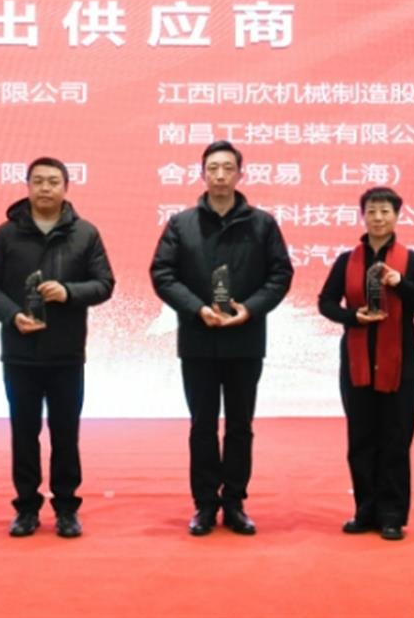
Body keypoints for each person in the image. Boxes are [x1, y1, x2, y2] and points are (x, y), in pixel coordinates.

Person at [150, 140, 293, 536]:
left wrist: (251, 308)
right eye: (213, 168)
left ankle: (234, 503)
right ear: (202, 174)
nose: (220, 175)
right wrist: (197, 308)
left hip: (245, 341)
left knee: (240, 426)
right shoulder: (181, 224)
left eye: (228, 168)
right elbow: (163, 274)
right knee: (202, 425)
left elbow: (280, 275)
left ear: (240, 174)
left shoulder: (262, 224)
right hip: (198, 340)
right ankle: (204, 505)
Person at [0, 157, 114, 539]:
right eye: (38, 181)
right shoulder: (7, 234)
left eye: (53, 181)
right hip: (20, 353)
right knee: (24, 433)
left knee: (66, 434)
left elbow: (104, 284)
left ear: (66, 187)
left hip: (67, 353)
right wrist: (12, 316)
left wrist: (68, 292)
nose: (45, 188)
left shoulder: (85, 233)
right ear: (28, 186)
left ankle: (66, 508)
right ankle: (26, 508)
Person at [317, 187, 414, 541]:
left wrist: (400, 283)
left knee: (395, 439)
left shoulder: (410, 260)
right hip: (356, 363)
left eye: (385, 211)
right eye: (371, 211)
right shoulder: (347, 260)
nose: (378, 218)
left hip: (400, 365)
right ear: (363, 216)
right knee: (361, 439)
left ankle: (392, 515)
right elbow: (326, 303)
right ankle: (365, 510)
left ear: (397, 216)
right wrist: (352, 317)